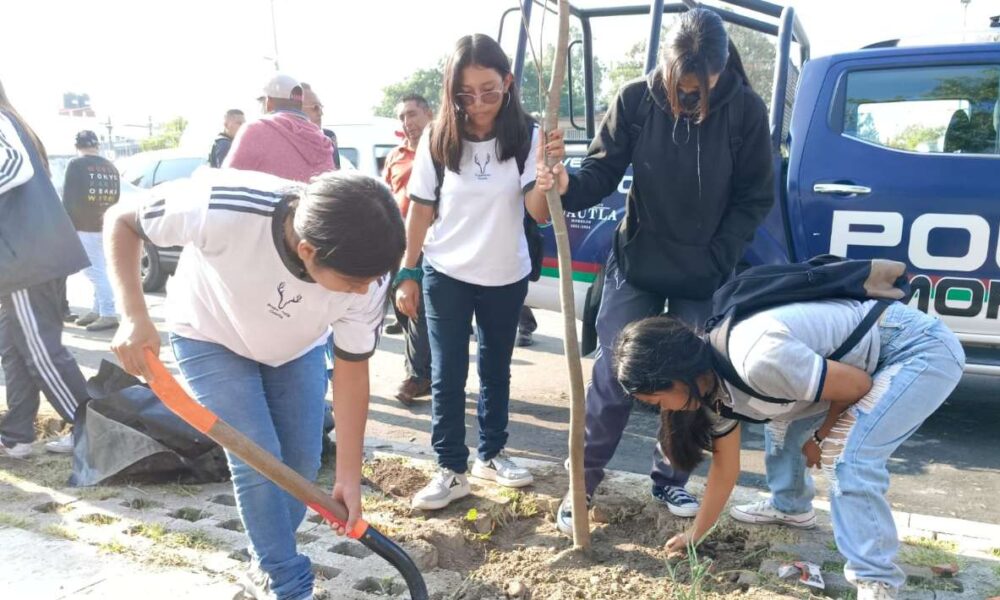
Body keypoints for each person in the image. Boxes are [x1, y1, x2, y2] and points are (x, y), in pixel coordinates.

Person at [106, 169, 404, 600]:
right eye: (354, 283)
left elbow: (352, 372)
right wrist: (134, 314)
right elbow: (123, 219)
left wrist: (349, 475)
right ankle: (284, 582)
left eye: (370, 282)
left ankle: (262, 563)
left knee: (299, 467)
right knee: (259, 461)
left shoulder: (369, 280)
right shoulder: (222, 206)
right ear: (307, 250)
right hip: (210, 335)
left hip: (295, 349)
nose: (363, 293)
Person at [537, 8, 775, 528]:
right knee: (611, 375)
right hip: (638, 259)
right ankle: (583, 482)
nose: (687, 97)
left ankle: (671, 482)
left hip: (704, 269)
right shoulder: (636, 100)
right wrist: (566, 185)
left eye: (698, 87)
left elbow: (755, 197)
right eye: (678, 85)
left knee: (689, 382)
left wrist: (720, 254)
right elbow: (601, 170)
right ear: (664, 67)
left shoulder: (746, 113)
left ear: (721, 68)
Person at [612, 298, 964, 600]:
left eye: (656, 399)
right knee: (778, 413)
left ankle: (876, 580)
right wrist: (695, 534)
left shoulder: (758, 360)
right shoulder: (710, 391)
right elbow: (725, 469)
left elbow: (858, 385)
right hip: (856, 364)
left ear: (675, 374)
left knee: (847, 458)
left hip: (914, 347)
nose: (664, 410)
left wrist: (821, 438)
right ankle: (791, 507)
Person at [396, 34, 560, 510]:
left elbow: (538, 211)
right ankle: (450, 468)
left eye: (489, 91)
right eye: (465, 95)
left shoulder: (527, 136)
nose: (479, 104)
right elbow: (420, 211)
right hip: (446, 270)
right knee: (448, 373)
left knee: (496, 369)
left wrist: (548, 180)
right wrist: (408, 272)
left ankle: (492, 453)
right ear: (452, 92)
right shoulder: (438, 137)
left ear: (508, 82)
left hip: (506, 272)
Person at [0, 79, 91, 457]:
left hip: (25, 257)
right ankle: (18, 434)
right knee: (13, 347)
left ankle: (91, 429)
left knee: (39, 350)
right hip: (31, 253)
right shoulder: (12, 120)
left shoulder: (2, 121)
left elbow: (14, 166)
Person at [382, 94, 434, 405]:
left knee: (419, 312)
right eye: (402, 117)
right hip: (396, 244)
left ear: (429, 113)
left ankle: (418, 376)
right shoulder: (396, 156)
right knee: (403, 309)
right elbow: (387, 193)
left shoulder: (443, 149)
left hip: (431, 244)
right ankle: (425, 370)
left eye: (413, 114)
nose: (408, 123)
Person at [224, 74, 334, 182]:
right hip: (314, 199)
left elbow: (227, 182)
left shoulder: (255, 130)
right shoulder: (323, 141)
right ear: (300, 105)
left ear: (268, 103)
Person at [63, 130, 121, 332]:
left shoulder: (76, 165)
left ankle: (108, 313)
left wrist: (66, 226)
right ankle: (97, 309)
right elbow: (116, 198)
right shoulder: (111, 167)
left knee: (94, 271)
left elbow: (69, 200)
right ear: (97, 145)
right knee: (101, 268)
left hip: (84, 226)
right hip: (106, 224)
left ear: (77, 146)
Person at [300, 83, 342, 170]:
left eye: (321, 108)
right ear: (297, 109)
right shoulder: (281, 142)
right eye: (315, 108)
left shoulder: (329, 138)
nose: (321, 113)